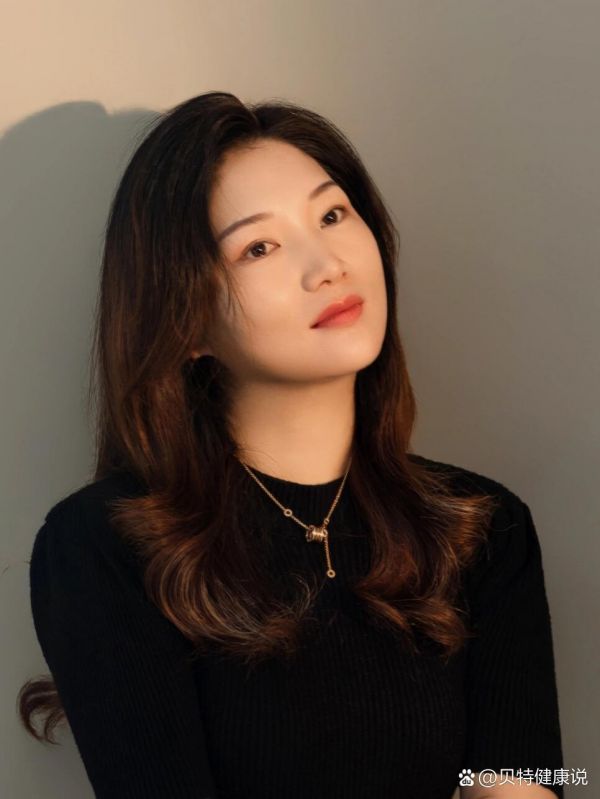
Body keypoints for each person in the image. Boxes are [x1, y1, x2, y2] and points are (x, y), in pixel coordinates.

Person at [18, 92, 564, 799]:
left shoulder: (484, 525)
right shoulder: (103, 547)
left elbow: (529, 779)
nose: (327, 264)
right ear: (186, 321)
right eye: (259, 247)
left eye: (332, 214)